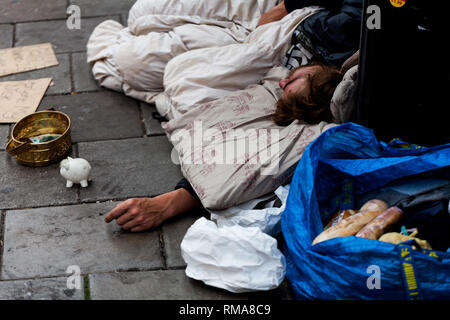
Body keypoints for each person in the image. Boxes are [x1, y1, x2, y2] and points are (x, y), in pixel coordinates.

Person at [105, 0, 362, 232]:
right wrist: (286, 7)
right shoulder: (345, 29)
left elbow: (241, 168)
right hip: (279, 10)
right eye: (293, 80)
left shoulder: (309, 107)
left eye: (285, 86)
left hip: (252, 38)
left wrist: (173, 201)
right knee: (142, 13)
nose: (282, 84)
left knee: (129, 61)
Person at [104, 62, 343, 232]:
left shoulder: (313, 131)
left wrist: (168, 204)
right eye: (288, 78)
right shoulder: (278, 80)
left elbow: (224, 185)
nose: (282, 81)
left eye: (289, 84)